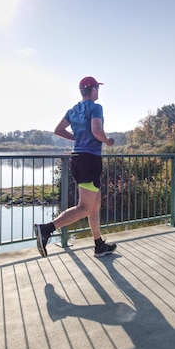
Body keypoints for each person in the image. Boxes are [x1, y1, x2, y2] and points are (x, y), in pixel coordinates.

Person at [34, 76, 117, 258]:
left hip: (78, 159)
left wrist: (77, 138)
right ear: (93, 90)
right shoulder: (96, 108)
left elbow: (58, 130)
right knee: (85, 207)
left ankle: (99, 245)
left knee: (95, 205)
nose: (98, 92)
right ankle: (46, 229)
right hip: (90, 160)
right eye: (97, 89)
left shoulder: (73, 110)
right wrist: (108, 141)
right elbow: (96, 131)